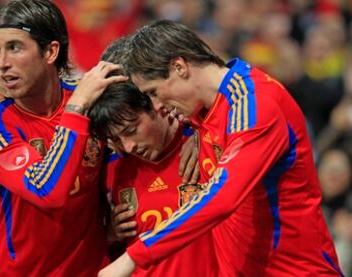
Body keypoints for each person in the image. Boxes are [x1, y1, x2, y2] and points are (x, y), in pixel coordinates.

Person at [99, 20, 343, 276]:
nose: (157, 106)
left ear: (179, 67)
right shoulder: (204, 111)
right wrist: (195, 132)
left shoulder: (255, 105)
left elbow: (222, 197)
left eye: (154, 92)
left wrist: (133, 257)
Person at [0, 0, 126, 275]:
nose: (1, 64)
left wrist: (188, 139)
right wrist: (77, 109)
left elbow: (155, 114)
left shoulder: (90, 96)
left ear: (51, 52)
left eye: (14, 47)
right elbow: (47, 190)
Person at [89, 80, 217, 276]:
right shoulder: (111, 170)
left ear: (155, 106)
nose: (128, 146)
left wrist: (203, 132)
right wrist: (110, 235)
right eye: (116, 139)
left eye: (131, 131)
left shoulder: (205, 144)